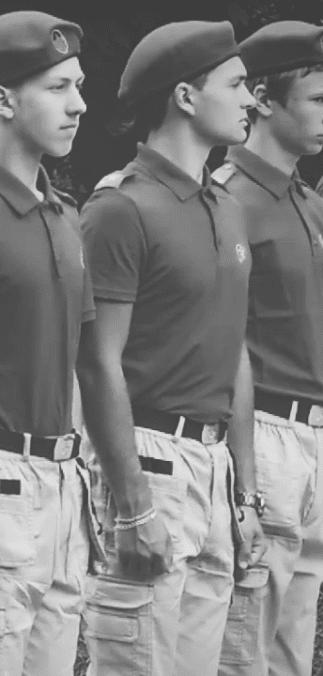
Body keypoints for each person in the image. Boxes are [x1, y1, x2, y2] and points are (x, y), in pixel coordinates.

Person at [77, 20, 266, 676]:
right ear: (185, 97)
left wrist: (246, 494)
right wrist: (131, 500)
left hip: (217, 469)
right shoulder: (120, 209)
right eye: (238, 85)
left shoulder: (227, 207)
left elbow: (233, 350)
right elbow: (98, 363)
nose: (252, 101)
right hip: (150, 460)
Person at [0, 11, 95, 676]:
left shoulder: (64, 215)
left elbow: (73, 363)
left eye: (79, 86)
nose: (80, 104)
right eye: (58, 88)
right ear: (1, 101)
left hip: (63, 485)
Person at [211, 21, 323, 676]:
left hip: (314, 438)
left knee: (292, 648)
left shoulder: (310, 201)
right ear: (260, 97)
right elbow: (219, 345)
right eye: (317, 98)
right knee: (245, 645)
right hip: (266, 434)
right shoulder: (227, 200)